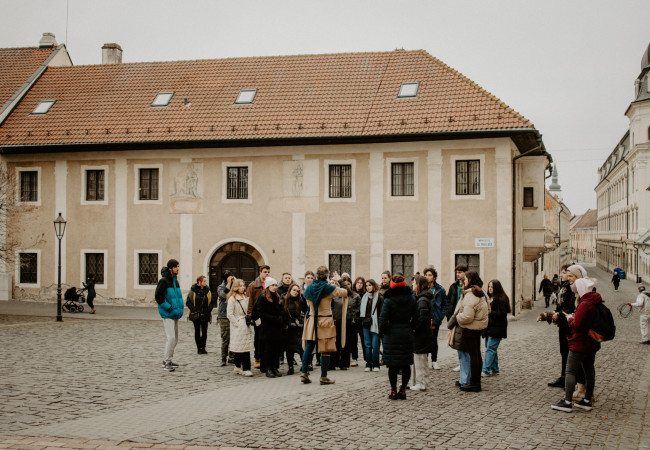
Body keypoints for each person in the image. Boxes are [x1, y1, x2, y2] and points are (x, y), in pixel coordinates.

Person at [551, 277, 601, 413]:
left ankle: (567, 402)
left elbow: (577, 325)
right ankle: (586, 400)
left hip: (580, 342)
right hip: (591, 343)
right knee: (589, 370)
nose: (575, 294)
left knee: (570, 371)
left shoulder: (585, 304)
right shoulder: (595, 301)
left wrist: (570, 318)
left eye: (577, 291)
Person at [300, 266, 348, 385]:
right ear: (327, 276)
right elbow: (346, 292)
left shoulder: (310, 287)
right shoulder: (329, 288)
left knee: (309, 346)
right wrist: (339, 280)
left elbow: (305, 299)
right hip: (325, 320)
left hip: (312, 319)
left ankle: (304, 372)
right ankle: (323, 376)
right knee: (325, 349)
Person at [379, 274, 418, 400]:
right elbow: (417, 318)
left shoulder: (388, 300)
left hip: (392, 335)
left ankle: (394, 390)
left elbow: (383, 320)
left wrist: (384, 332)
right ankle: (403, 390)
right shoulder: (411, 299)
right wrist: (411, 328)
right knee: (406, 364)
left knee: (393, 365)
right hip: (406, 333)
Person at [453, 271, 489, 392]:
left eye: (466, 279)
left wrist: (458, 317)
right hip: (478, 327)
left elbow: (467, 316)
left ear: (470, 281)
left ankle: (475, 383)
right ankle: (476, 381)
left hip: (470, 328)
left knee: (474, 356)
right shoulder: (480, 292)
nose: (464, 281)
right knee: (476, 355)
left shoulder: (471, 295)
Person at [548, 264, 576, 388]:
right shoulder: (564, 286)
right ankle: (564, 377)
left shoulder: (571, 288)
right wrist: (555, 312)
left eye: (565, 273)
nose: (562, 275)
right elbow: (560, 305)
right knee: (564, 352)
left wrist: (559, 313)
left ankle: (570, 380)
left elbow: (570, 308)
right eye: (564, 273)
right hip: (563, 324)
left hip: (568, 325)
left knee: (569, 352)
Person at [155, 259, 184, 372]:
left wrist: (179, 308)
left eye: (178, 266)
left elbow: (177, 297)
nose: (178, 269)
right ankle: (166, 362)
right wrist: (168, 307)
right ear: (171, 268)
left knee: (175, 339)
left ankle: (168, 359)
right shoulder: (163, 281)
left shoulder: (175, 282)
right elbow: (158, 296)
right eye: (176, 267)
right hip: (168, 313)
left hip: (175, 313)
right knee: (171, 338)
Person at [252, 277, 284, 378]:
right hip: (266, 327)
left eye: (275, 285)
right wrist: (272, 318)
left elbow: (280, 309)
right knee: (268, 348)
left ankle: (275, 367)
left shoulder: (277, 296)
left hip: (276, 326)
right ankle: (268, 368)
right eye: (272, 285)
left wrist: (280, 317)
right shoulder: (263, 297)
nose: (274, 287)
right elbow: (259, 311)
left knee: (276, 348)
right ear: (268, 286)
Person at [226, 279, 254, 377]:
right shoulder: (232, 299)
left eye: (243, 285)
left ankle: (239, 366)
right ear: (236, 287)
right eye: (241, 286)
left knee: (244, 346)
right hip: (238, 325)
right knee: (240, 347)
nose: (243, 287)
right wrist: (237, 323)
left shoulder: (245, 296)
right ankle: (244, 368)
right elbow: (229, 314)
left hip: (245, 324)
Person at [482, 279, 510, 376]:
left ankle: (485, 370)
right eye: (489, 287)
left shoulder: (502, 299)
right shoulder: (489, 298)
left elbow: (502, 314)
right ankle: (495, 369)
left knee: (490, 348)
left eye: (492, 287)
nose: (490, 289)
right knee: (491, 348)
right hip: (489, 327)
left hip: (497, 327)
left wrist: (489, 312)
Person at [411, 275, 433, 391]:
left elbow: (422, 318)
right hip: (423, 333)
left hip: (421, 334)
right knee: (421, 358)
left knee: (420, 358)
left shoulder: (422, 300)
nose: (413, 285)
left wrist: (414, 328)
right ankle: (420, 381)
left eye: (414, 283)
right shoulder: (421, 298)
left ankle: (421, 382)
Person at [246, 265, 271, 369]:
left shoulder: (270, 284)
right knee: (258, 338)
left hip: (268, 316)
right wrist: (249, 315)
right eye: (265, 272)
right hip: (258, 316)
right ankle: (257, 357)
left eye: (268, 272)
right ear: (260, 272)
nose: (267, 274)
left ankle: (266, 358)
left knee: (267, 338)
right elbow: (249, 301)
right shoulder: (253, 286)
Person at [446, 263, 468, 373]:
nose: (458, 274)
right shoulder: (454, 286)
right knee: (456, 341)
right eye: (457, 273)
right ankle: (461, 363)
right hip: (455, 315)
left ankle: (464, 363)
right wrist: (448, 315)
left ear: (465, 273)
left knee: (463, 341)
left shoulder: (468, 286)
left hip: (464, 315)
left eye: (460, 272)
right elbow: (449, 300)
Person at [424, 267, 446, 370]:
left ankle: (434, 360)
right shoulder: (423, 288)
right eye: (426, 275)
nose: (427, 277)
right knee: (425, 340)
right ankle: (425, 361)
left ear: (434, 277)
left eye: (429, 275)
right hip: (425, 318)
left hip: (435, 318)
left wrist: (439, 317)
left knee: (433, 340)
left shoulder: (440, 290)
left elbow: (444, 305)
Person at [186, 275, 214, 354]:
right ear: (199, 282)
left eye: (205, 281)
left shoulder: (207, 291)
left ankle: (203, 347)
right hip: (196, 314)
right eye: (204, 281)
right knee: (197, 331)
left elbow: (211, 302)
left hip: (205, 314)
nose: (205, 282)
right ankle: (199, 348)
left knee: (204, 332)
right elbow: (188, 302)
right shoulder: (193, 290)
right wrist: (194, 310)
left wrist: (209, 310)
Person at [360, 279, 383, 372]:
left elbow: (381, 312)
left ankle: (376, 364)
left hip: (375, 324)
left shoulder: (379, 297)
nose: (368, 287)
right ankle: (368, 364)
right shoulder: (364, 297)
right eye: (366, 286)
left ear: (374, 286)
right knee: (367, 345)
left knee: (375, 345)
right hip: (365, 323)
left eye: (369, 285)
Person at [282, 282, 305, 374]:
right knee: (289, 350)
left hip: (298, 328)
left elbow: (305, 309)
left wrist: (302, 295)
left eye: (297, 291)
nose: (295, 292)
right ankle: (290, 367)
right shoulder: (284, 300)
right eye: (294, 290)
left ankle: (304, 365)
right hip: (288, 329)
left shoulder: (300, 300)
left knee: (301, 348)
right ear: (290, 290)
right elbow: (282, 313)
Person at [217, 271, 235, 366]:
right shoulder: (221, 287)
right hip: (224, 315)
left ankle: (232, 356)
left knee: (234, 337)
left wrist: (235, 284)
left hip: (234, 314)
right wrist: (228, 285)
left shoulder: (235, 286)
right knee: (225, 338)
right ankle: (223, 357)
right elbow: (224, 296)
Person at [351, 276, 366, 365]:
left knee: (364, 339)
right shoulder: (352, 293)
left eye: (361, 283)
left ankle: (366, 358)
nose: (359, 285)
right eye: (358, 283)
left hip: (361, 319)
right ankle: (354, 358)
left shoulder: (364, 294)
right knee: (353, 340)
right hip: (353, 319)